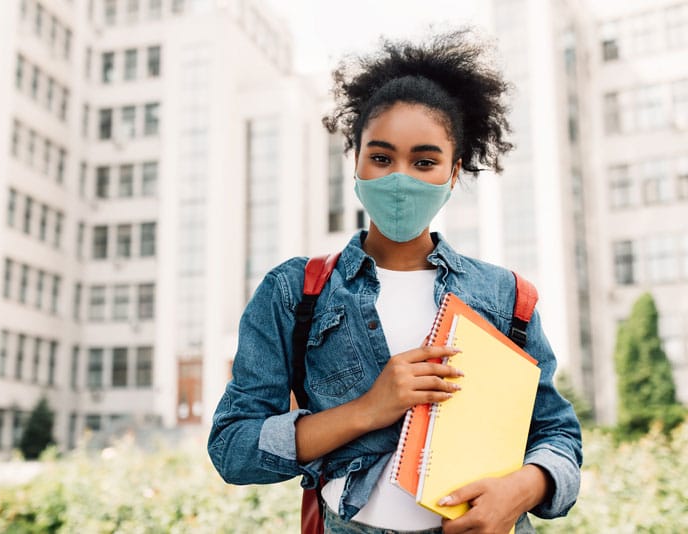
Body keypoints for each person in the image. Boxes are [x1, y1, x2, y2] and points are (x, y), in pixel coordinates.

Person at [208, 29, 582, 534]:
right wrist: (367, 410)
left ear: (454, 173)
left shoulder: (507, 296)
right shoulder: (295, 291)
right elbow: (232, 448)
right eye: (381, 158)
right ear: (356, 163)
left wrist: (522, 489)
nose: (400, 178)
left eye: (425, 161)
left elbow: (557, 434)